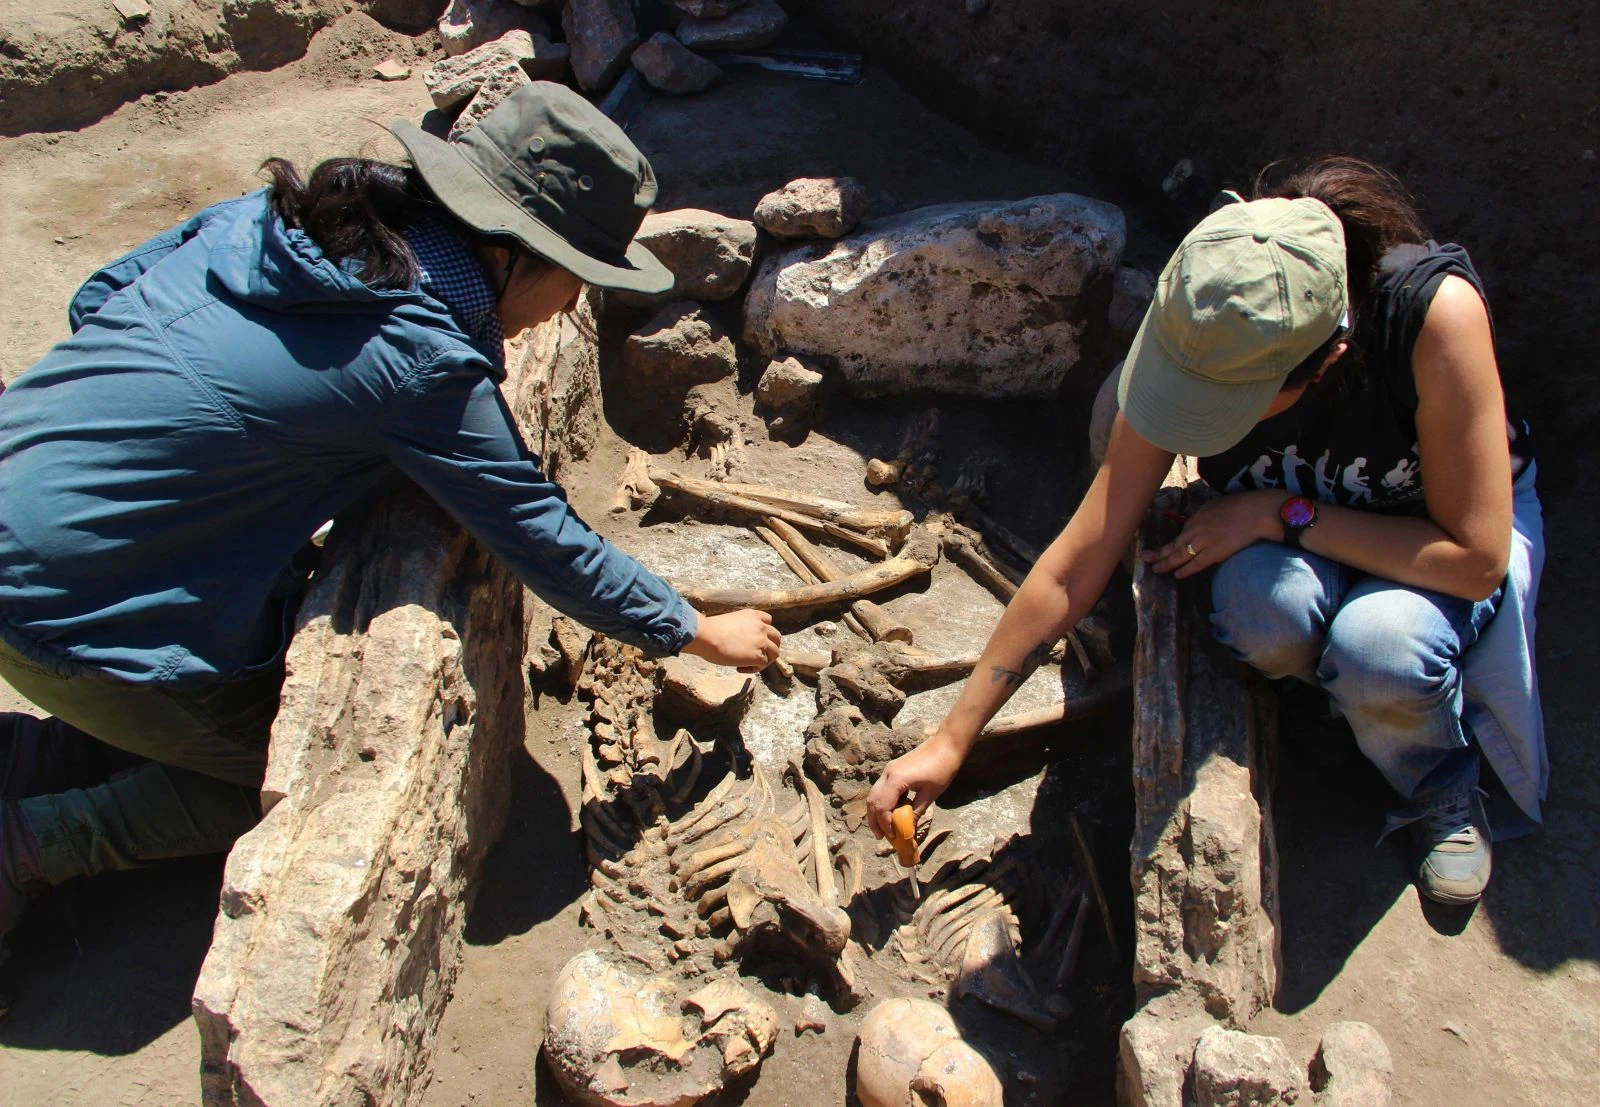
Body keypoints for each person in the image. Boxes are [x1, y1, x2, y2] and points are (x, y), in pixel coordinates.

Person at [0, 82, 781, 949]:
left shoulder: (269, 219)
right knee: (292, 771)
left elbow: (96, 296)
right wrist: (693, 629)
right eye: (573, 283)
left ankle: (37, 758)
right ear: (517, 254)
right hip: (58, 612)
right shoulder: (420, 360)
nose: (566, 309)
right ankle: (29, 846)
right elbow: (539, 534)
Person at [867, 157, 1543, 908]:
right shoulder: (1214, 300)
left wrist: (1277, 513)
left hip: (1428, 542)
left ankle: (1438, 777)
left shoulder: (1432, 317)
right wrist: (953, 736)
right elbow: (1080, 555)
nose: (1196, 423)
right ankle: (1340, 704)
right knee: (1259, 609)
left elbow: (1475, 557)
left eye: (1227, 405)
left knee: (1378, 647)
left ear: (1327, 364)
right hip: (1300, 531)